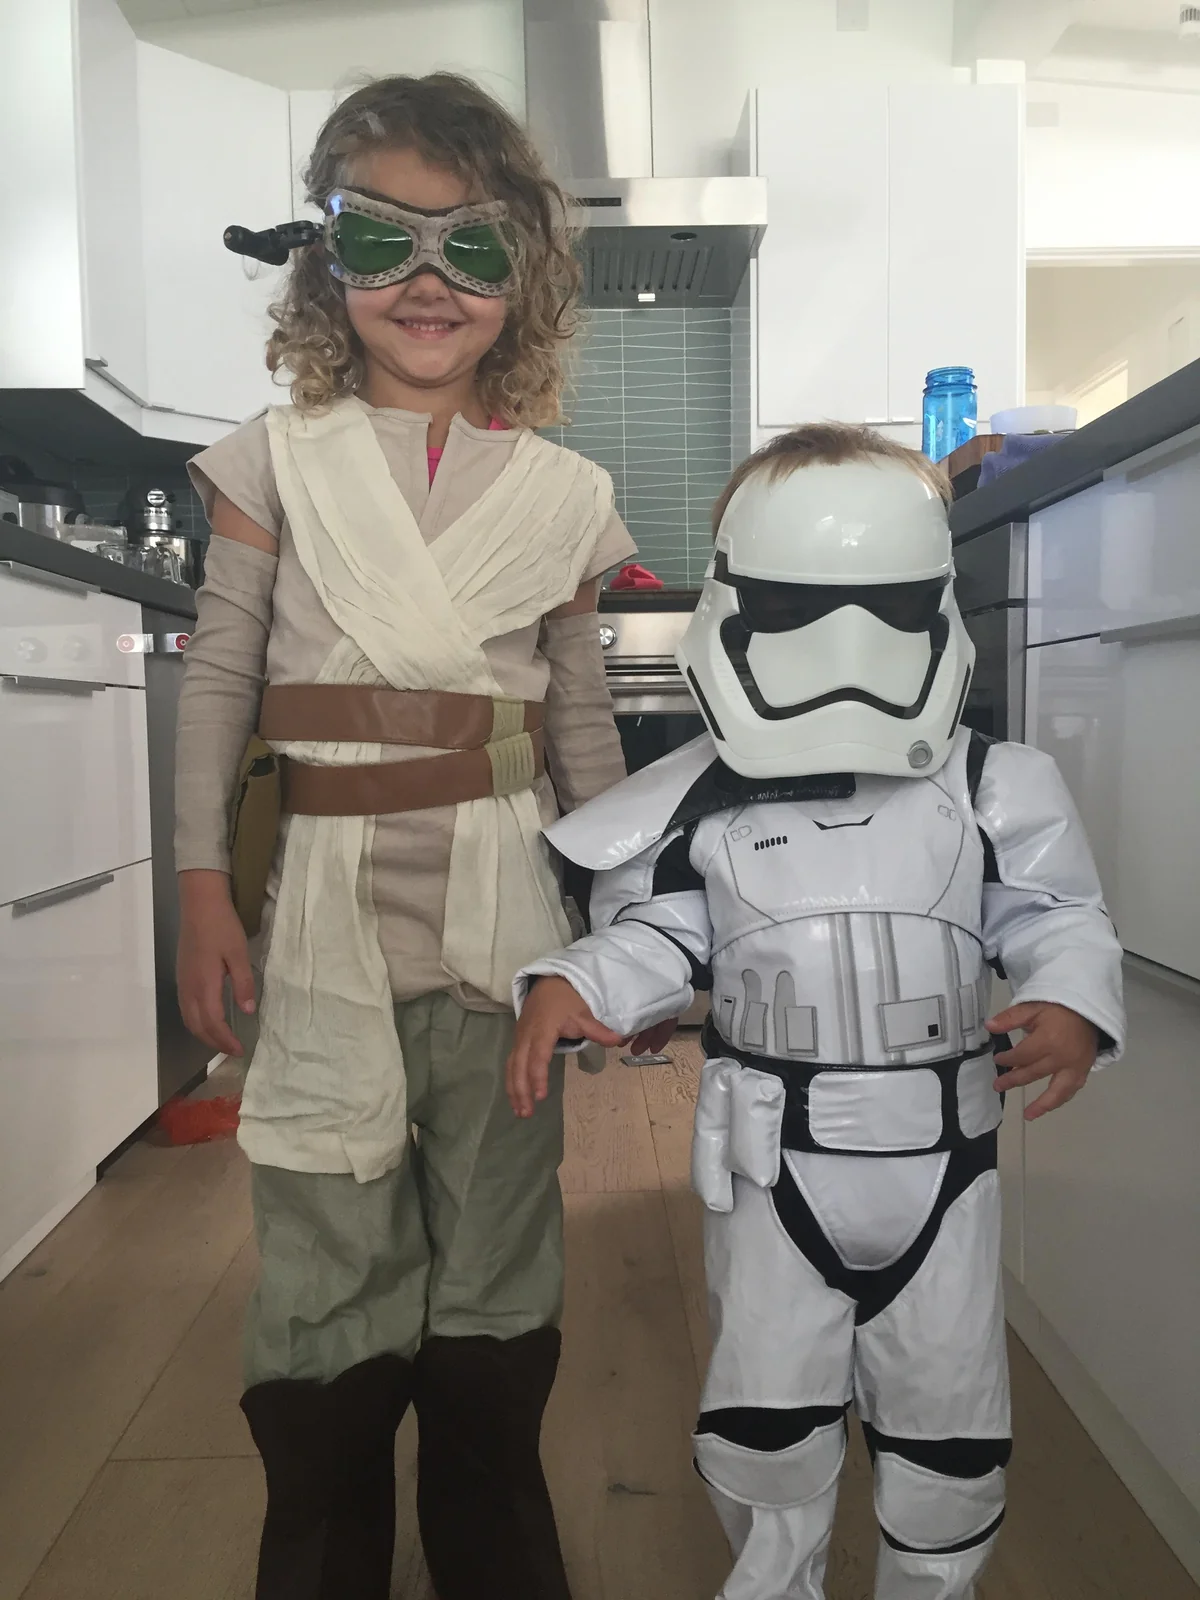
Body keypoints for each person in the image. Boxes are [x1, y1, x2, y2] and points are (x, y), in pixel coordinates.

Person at [508, 424, 1126, 1600]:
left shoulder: (990, 785)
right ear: (737, 611)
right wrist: (580, 982)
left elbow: (1055, 914)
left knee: (949, 1431)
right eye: (796, 610)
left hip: (946, 1170)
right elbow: (659, 932)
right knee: (764, 1422)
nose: (843, 651)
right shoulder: (700, 802)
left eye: (880, 608)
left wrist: (1068, 998)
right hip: (772, 1168)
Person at [174, 72, 638, 1600]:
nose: (430, 282)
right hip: (320, 932)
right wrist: (200, 887)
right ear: (328, 261)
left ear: (526, 271)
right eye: (385, 240)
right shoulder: (274, 460)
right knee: (325, 1243)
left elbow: (581, 727)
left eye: (473, 246)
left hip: (505, 940)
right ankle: (323, 1544)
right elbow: (221, 679)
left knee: (499, 1246)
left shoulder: (566, 496)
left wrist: (624, 932)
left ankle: (493, 1533)